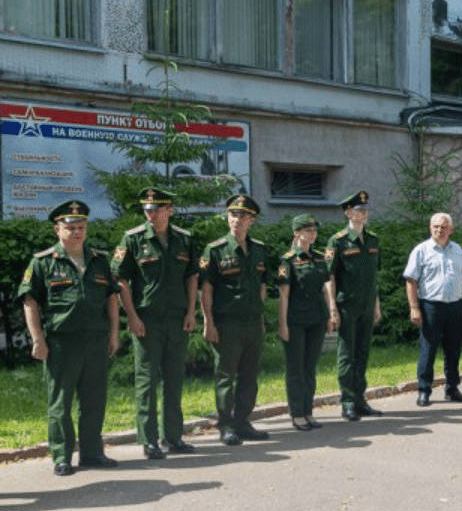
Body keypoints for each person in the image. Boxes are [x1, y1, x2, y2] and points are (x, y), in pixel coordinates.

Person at [19, 200, 120, 476]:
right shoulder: (42, 263)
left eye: (81, 227)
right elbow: (30, 302)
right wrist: (38, 339)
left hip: (96, 341)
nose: (77, 232)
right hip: (62, 343)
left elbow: (112, 298)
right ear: (57, 230)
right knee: (60, 402)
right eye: (71, 227)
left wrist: (114, 334)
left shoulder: (99, 260)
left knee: (94, 399)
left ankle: (92, 453)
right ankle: (62, 456)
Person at [112, 187, 198, 460]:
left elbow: (192, 276)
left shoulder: (185, 240)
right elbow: (120, 280)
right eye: (146, 210)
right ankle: (149, 440)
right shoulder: (133, 239)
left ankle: (173, 436)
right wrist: (132, 317)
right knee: (147, 380)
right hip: (147, 320)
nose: (150, 214)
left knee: (174, 380)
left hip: (177, 318)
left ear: (169, 211)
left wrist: (191, 312)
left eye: (156, 210)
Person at [200, 194, 273, 446]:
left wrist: (260, 315)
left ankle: (243, 421)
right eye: (233, 215)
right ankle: (226, 425)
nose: (236, 220)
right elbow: (206, 288)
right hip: (226, 323)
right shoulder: (215, 250)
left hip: (253, 323)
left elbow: (263, 285)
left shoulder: (260, 250)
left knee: (249, 375)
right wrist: (208, 322)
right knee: (226, 376)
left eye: (242, 216)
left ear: (251, 220)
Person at [403, 212, 462, 407]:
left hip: (455, 307)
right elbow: (411, 281)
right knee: (428, 349)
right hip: (431, 306)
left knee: (453, 349)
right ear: (430, 228)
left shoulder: (458, 250)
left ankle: (452, 389)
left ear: (451, 229)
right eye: (435, 226)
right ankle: (424, 391)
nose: (439, 230)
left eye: (443, 227)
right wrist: (414, 308)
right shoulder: (421, 250)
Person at [324, 191, 382, 421]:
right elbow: (330, 277)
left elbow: (373, 277)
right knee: (347, 354)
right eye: (358, 210)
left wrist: (376, 306)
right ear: (347, 212)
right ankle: (347, 401)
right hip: (346, 305)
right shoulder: (337, 241)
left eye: (365, 210)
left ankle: (360, 400)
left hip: (367, 305)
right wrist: (332, 309)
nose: (362, 214)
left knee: (363, 353)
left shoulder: (373, 239)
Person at [277, 215, 332, 430]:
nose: (312, 234)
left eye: (314, 231)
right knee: (296, 368)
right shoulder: (287, 260)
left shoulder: (320, 258)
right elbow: (284, 295)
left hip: (316, 319)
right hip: (296, 321)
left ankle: (308, 411)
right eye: (307, 230)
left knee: (310, 367)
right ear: (296, 233)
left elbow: (325, 290)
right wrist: (283, 325)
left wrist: (328, 316)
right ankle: (297, 413)